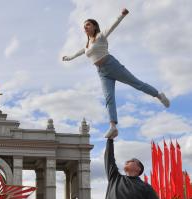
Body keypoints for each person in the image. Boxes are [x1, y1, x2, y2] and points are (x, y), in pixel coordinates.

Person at [62, 8, 170, 139]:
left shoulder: (101, 36)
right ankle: (113, 127)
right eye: (84, 26)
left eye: (88, 25)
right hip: (102, 72)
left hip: (112, 65)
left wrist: (121, 15)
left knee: (137, 84)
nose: (85, 27)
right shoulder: (87, 45)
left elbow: (112, 26)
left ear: (94, 26)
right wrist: (69, 58)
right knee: (109, 98)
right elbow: (79, 52)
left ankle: (159, 95)